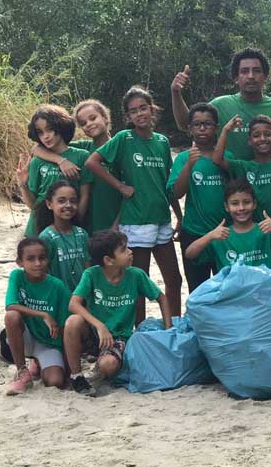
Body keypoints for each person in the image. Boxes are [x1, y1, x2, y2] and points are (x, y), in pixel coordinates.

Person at [84, 86, 183, 321]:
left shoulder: (161, 142)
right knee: (139, 280)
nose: (139, 114)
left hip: (161, 218)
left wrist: (179, 215)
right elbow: (92, 162)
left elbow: (167, 183)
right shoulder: (124, 139)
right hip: (136, 220)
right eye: (133, 111)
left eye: (143, 108)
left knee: (174, 279)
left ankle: (176, 326)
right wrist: (120, 186)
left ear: (152, 109)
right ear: (127, 117)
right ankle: (140, 332)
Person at [64, 230, 172, 396]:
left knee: (108, 365)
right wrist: (100, 326)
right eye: (123, 249)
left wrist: (168, 329)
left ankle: (104, 365)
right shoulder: (91, 274)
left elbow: (161, 298)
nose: (130, 252)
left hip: (119, 337)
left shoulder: (136, 275)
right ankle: (77, 376)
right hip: (95, 332)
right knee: (73, 321)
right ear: (108, 260)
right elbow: (73, 304)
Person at [170, 48, 271, 160]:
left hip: (268, 184)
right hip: (228, 183)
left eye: (257, 71)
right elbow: (185, 125)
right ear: (235, 78)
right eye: (244, 71)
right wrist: (176, 92)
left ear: (265, 76)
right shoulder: (220, 105)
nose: (251, 76)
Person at [31, 99, 119, 234]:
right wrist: (61, 161)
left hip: (114, 222)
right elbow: (37, 148)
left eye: (93, 118)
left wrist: (117, 224)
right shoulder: (84, 148)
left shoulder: (121, 149)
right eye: (83, 123)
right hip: (85, 224)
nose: (89, 124)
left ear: (106, 118)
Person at [167, 103, 228, 292]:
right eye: (197, 124)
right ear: (190, 129)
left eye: (208, 124)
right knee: (198, 289)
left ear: (216, 128)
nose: (202, 128)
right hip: (194, 233)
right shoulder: (184, 158)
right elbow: (176, 193)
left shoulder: (226, 157)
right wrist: (189, 166)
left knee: (226, 289)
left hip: (225, 233)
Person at [185, 179, 271, 272]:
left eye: (246, 202)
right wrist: (209, 236)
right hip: (234, 296)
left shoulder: (265, 230)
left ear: (254, 204)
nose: (241, 208)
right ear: (226, 207)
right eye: (235, 203)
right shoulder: (221, 236)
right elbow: (189, 254)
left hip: (264, 294)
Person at [3, 238, 71, 395]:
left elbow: (64, 327)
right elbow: (10, 305)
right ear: (20, 262)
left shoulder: (57, 286)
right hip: (24, 336)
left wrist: (68, 367)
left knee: (55, 381)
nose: (38, 263)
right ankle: (22, 372)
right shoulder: (17, 276)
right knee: (12, 316)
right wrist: (43, 314)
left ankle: (38, 362)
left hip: (48, 342)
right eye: (31, 259)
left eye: (42, 258)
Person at [212, 114, 271, 220]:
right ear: (249, 141)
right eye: (256, 135)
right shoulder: (243, 167)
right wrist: (225, 130)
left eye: (267, 134)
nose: (262, 139)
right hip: (258, 229)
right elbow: (217, 160)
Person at [17, 105, 89, 237]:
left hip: (69, 229)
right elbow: (33, 205)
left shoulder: (81, 156)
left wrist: (76, 222)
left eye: (49, 129)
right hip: (37, 229)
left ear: (61, 127)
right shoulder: (36, 161)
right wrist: (23, 185)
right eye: (40, 132)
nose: (45, 136)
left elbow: (85, 194)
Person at [37, 181, 90, 291]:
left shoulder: (82, 234)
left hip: (81, 297)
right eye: (61, 201)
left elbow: (87, 268)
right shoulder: (46, 237)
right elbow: (44, 273)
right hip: (58, 297)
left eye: (73, 201)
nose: (68, 205)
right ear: (49, 204)